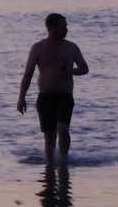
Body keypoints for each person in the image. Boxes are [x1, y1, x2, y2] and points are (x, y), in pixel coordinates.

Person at [18, 12, 90, 162]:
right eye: (63, 26)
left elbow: (84, 68)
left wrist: (71, 71)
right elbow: (28, 74)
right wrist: (21, 98)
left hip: (65, 96)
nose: (67, 29)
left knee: (63, 130)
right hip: (45, 97)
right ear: (52, 28)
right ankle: (50, 167)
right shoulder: (38, 48)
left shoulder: (71, 47)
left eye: (66, 26)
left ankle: (64, 161)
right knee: (49, 137)